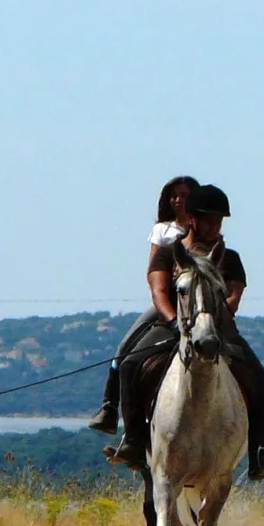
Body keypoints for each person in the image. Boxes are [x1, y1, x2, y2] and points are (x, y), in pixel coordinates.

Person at [108, 183, 264, 481]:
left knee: (257, 374)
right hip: (172, 325)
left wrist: (208, 320)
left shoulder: (230, 259)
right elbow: (159, 292)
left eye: (219, 221)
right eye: (208, 220)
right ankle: (134, 440)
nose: (214, 227)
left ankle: (259, 451)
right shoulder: (166, 253)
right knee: (131, 364)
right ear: (192, 220)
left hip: (217, 329)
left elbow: (233, 298)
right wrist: (176, 322)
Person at [87, 176, 199, 434]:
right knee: (124, 349)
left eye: (184, 195)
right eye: (174, 196)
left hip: (199, 301)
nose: (179, 200)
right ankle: (110, 408)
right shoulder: (163, 230)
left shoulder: (203, 229)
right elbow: (153, 269)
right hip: (169, 298)